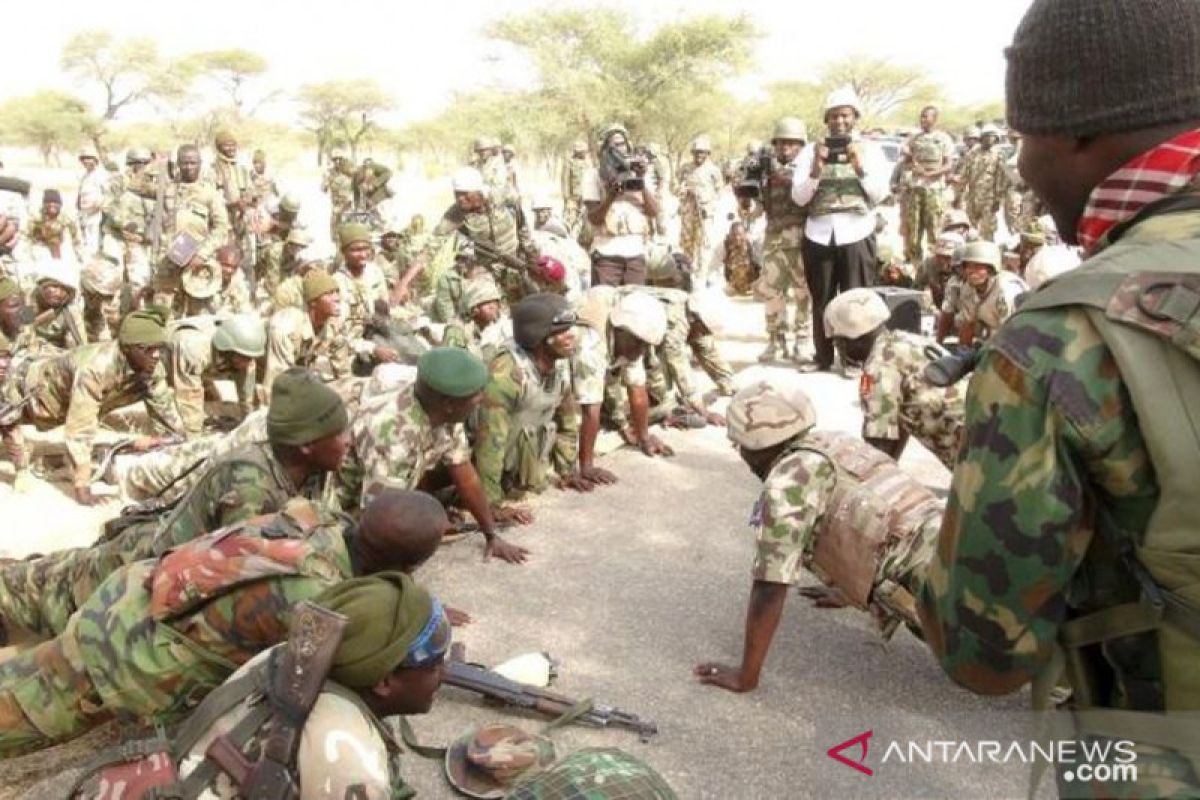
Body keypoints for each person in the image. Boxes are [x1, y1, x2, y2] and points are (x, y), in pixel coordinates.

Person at [921, 1, 1200, 793]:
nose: (1020, 168)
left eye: (1024, 136)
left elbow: (984, 654)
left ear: (1078, 128)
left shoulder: (1066, 333)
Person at [0, 487, 447, 756]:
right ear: (409, 566)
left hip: (132, 598)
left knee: (23, 677)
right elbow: (328, 690)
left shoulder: (317, 519)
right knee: (21, 712)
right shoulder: (317, 601)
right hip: (126, 656)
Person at [0, 367, 351, 641]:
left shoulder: (312, 472)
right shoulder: (250, 484)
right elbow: (239, 581)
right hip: (137, 564)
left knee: (48, 576)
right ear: (305, 444)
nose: (349, 441)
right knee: (42, 593)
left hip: (162, 561)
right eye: (340, 433)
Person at [71, 570, 450, 800]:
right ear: (383, 680)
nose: (444, 674)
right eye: (434, 664)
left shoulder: (289, 658)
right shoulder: (348, 750)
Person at [695, 378, 941, 693]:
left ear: (750, 447)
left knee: (993, 650)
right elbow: (864, 513)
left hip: (928, 577)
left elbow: (771, 584)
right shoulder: (831, 441)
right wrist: (846, 586)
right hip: (943, 534)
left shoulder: (787, 483)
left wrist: (746, 675)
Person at [13, 308, 183, 504]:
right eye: (147, 349)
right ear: (127, 348)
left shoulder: (151, 368)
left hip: (65, 393)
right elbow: (80, 428)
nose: (155, 355)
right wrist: (82, 486)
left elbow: (166, 413)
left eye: (158, 348)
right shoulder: (96, 368)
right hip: (33, 394)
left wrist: (179, 446)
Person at [474, 293, 619, 515]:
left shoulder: (558, 365)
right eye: (562, 331)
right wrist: (491, 506)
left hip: (522, 469)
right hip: (486, 468)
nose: (572, 336)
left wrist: (567, 471)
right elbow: (489, 445)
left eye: (571, 328)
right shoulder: (507, 374)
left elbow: (567, 422)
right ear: (538, 336)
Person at [792, 88, 890, 372]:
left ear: (855, 117)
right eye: (833, 116)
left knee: (856, 298)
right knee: (821, 298)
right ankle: (822, 357)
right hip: (819, 233)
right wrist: (815, 169)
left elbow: (879, 194)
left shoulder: (870, 149)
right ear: (826, 119)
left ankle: (855, 359)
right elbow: (799, 198)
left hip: (856, 231)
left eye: (845, 115)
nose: (839, 121)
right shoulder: (811, 150)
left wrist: (859, 166)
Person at [824, 288, 966, 469]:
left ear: (854, 338)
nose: (839, 350)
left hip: (978, 456)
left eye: (839, 342)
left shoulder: (878, 368)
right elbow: (896, 428)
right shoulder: (908, 341)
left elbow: (878, 446)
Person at [397, 168, 538, 308]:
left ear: (479, 192)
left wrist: (531, 254)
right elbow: (430, 249)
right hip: (487, 269)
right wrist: (403, 283)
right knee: (485, 308)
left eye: (465, 194)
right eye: (457, 194)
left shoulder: (505, 196)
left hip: (519, 259)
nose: (460, 199)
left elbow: (522, 223)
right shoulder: (456, 213)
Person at [152, 144, 231, 312]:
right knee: (163, 312)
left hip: (197, 263)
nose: (188, 167)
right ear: (178, 164)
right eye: (184, 163)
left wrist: (202, 255)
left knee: (199, 313)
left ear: (200, 164)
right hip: (168, 262)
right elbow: (156, 225)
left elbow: (221, 228)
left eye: (193, 163)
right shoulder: (166, 191)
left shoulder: (210, 194)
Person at [584, 123, 658, 287]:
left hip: (635, 253)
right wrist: (611, 196)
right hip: (606, 253)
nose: (618, 149)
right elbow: (594, 219)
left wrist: (641, 181)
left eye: (621, 144)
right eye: (612, 145)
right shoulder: (594, 176)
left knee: (633, 305)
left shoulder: (638, 170)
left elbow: (654, 211)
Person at [168, 312, 264, 436]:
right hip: (163, 358)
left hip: (203, 366)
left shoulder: (244, 351)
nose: (248, 363)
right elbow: (189, 397)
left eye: (250, 358)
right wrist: (194, 438)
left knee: (212, 401)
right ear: (227, 349)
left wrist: (249, 428)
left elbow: (247, 398)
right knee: (171, 425)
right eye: (243, 358)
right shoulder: (194, 346)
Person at [265, 270, 353, 389]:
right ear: (313, 302)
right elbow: (276, 381)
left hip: (294, 369)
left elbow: (344, 374)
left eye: (337, 292)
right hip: (260, 364)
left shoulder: (334, 324)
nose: (337, 298)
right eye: (329, 294)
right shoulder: (286, 326)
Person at [901, 106, 955, 264]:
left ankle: (935, 264)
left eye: (927, 117)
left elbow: (949, 164)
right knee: (913, 229)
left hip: (935, 189)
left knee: (935, 228)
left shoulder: (943, 138)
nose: (923, 120)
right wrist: (910, 162)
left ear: (935, 119)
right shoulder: (914, 138)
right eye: (922, 117)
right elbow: (906, 160)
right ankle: (914, 265)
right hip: (915, 189)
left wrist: (931, 174)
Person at [952, 240, 1026, 346]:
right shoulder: (967, 289)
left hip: (1020, 338)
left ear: (991, 269)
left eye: (978, 267)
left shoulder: (1005, 291)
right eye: (969, 266)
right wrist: (962, 355)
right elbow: (968, 325)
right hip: (992, 336)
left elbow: (1010, 333)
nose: (972, 271)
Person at [675, 135, 724, 287]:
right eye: (696, 152)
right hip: (688, 210)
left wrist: (709, 204)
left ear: (708, 154)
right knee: (687, 242)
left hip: (704, 212)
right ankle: (687, 272)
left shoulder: (713, 170)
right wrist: (681, 190)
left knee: (703, 244)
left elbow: (719, 191)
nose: (699, 155)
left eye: (702, 152)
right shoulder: (685, 168)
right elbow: (675, 186)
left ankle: (702, 275)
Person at [442, 276, 510, 362]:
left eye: (495, 302)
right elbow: (453, 362)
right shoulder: (457, 330)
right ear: (474, 308)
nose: (492, 307)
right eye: (487, 303)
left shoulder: (500, 324)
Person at [960, 123, 1009, 242]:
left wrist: (998, 199)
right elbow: (965, 174)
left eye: (992, 136)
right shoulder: (972, 153)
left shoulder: (999, 155)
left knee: (987, 230)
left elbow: (1001, 177)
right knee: (970, 227)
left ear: (996, 138)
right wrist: (960, 193)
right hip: (972, 196)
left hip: (989, 198)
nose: (989, 139)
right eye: (987, 136)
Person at [26, 189, 82, 262]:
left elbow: (77, 238)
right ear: (44, 205)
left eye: (55, 204)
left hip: (57, 241)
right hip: (39, 241)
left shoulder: (67, 216)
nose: (52, 207)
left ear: (60, 205)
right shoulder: (35, 216)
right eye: (49, 204)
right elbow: (25, 235)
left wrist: (80, 256)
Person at [76, 147, 109, 256]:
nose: (86, 161)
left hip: (96, 212)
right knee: (85, 238)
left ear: (95, 160)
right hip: (84, 212)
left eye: (89, 158)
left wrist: (98, 207)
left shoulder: (101, 175)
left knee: (93, 240)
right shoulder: (85, 176)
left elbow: (107, 194)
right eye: (84, 158)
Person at [561, 139, 590, 234]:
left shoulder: (588, 163)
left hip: (586, 197)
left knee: (584, 221)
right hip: (573, 197)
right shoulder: (569, 163)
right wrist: (567, 198)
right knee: (570, 221)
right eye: (582, 151)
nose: (584, 153)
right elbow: (565, 181)